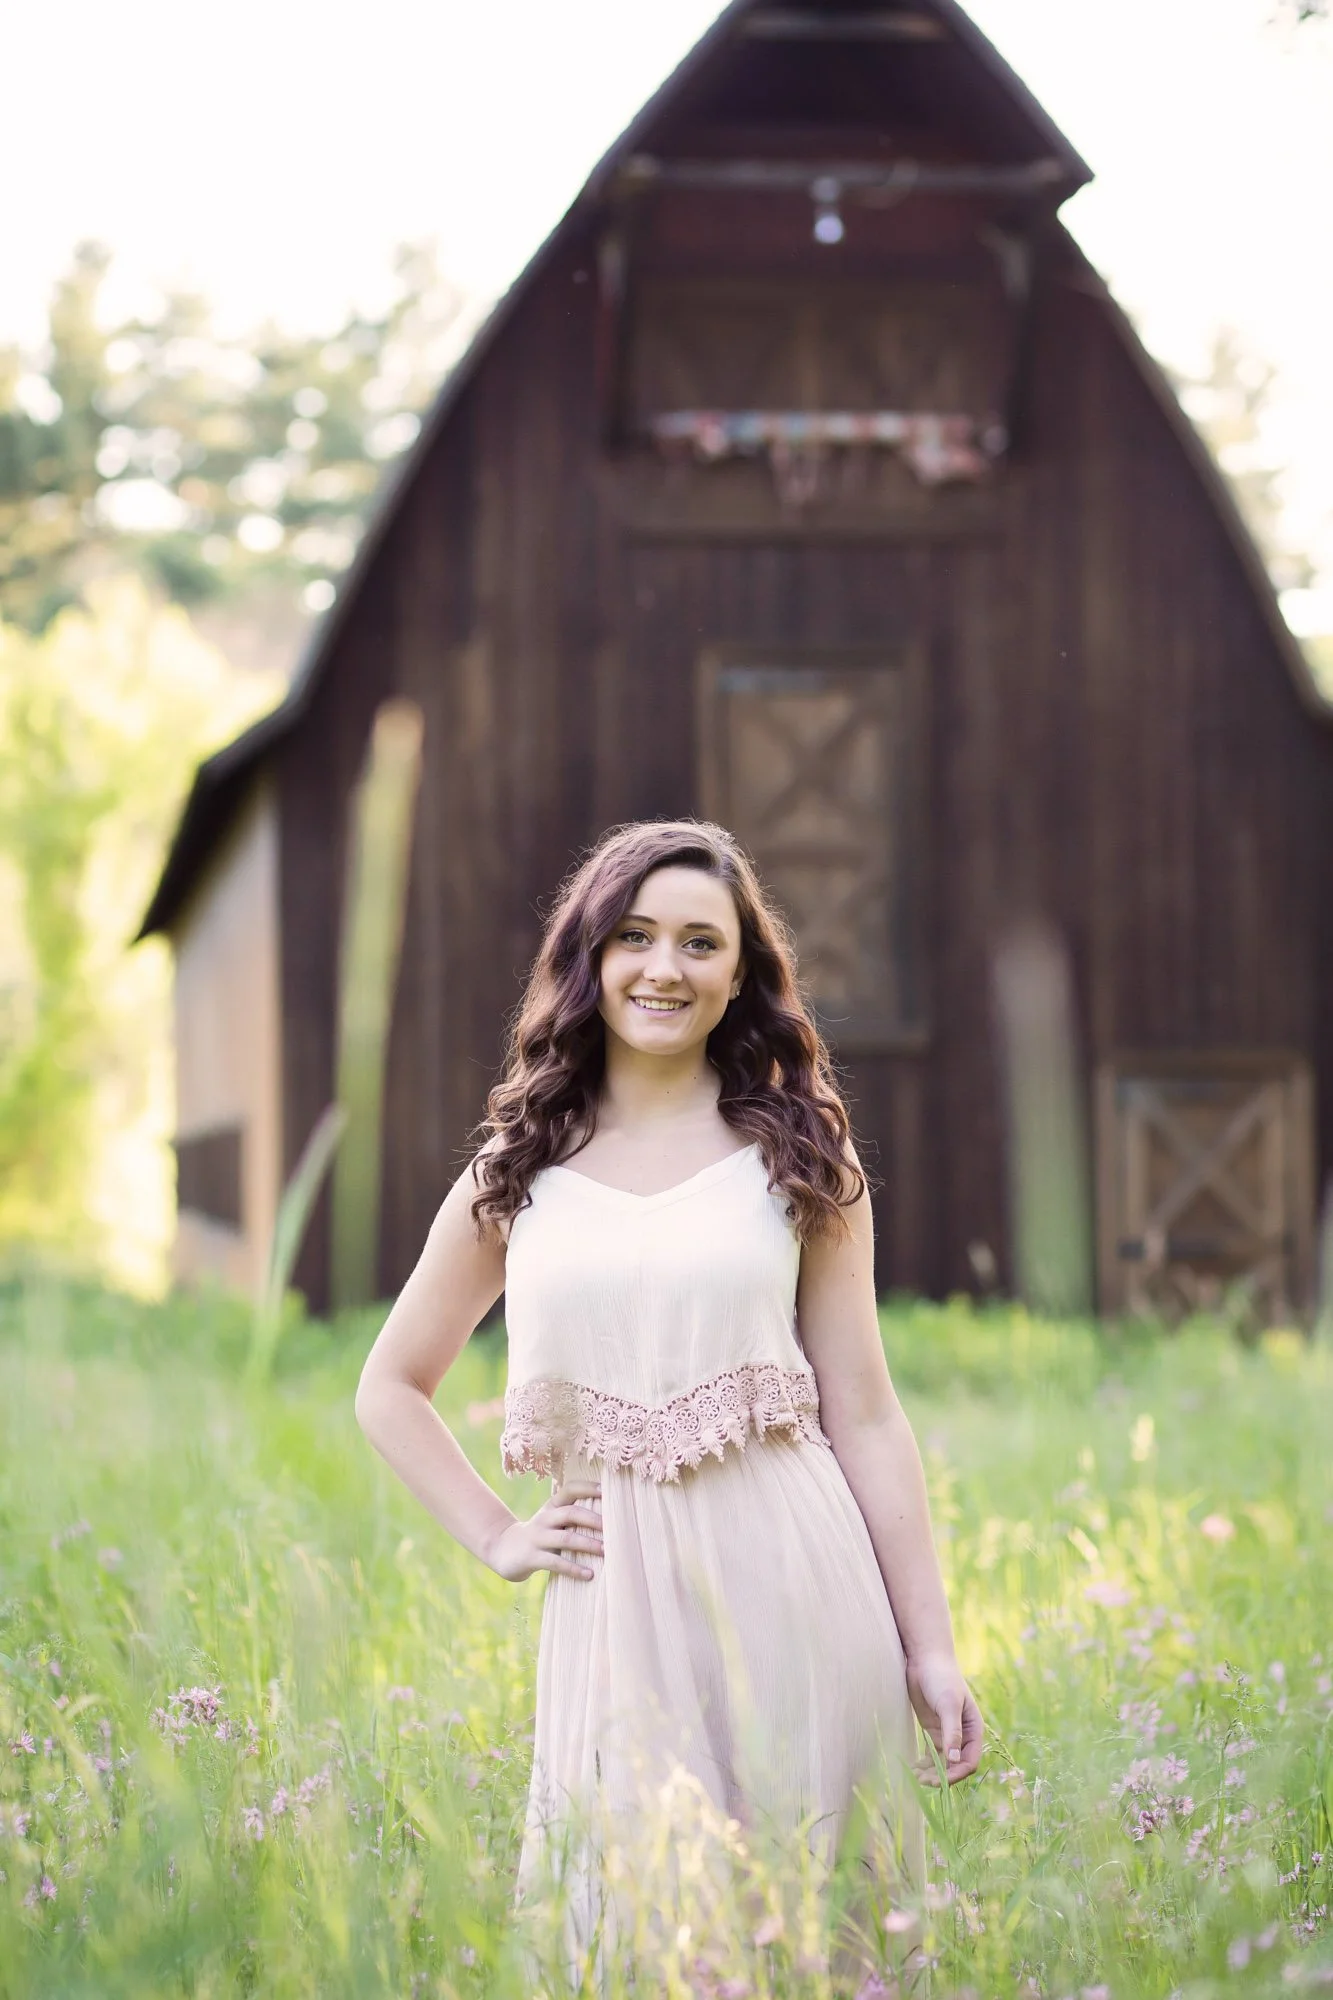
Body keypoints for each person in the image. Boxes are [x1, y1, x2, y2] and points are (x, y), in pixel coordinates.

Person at [355, 818, 983, 1985]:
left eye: (701, 941)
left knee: (814, 1934)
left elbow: (867, 1410)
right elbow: (390, 1386)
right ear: (590, 956)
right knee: (635, 1931)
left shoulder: (799, 1153)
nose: (664, 966)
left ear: (740, 972)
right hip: (616, 1612)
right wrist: (496, 1532)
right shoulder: (517, 1168)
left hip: (800, 1585)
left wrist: (930, 1644)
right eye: (635, 935)